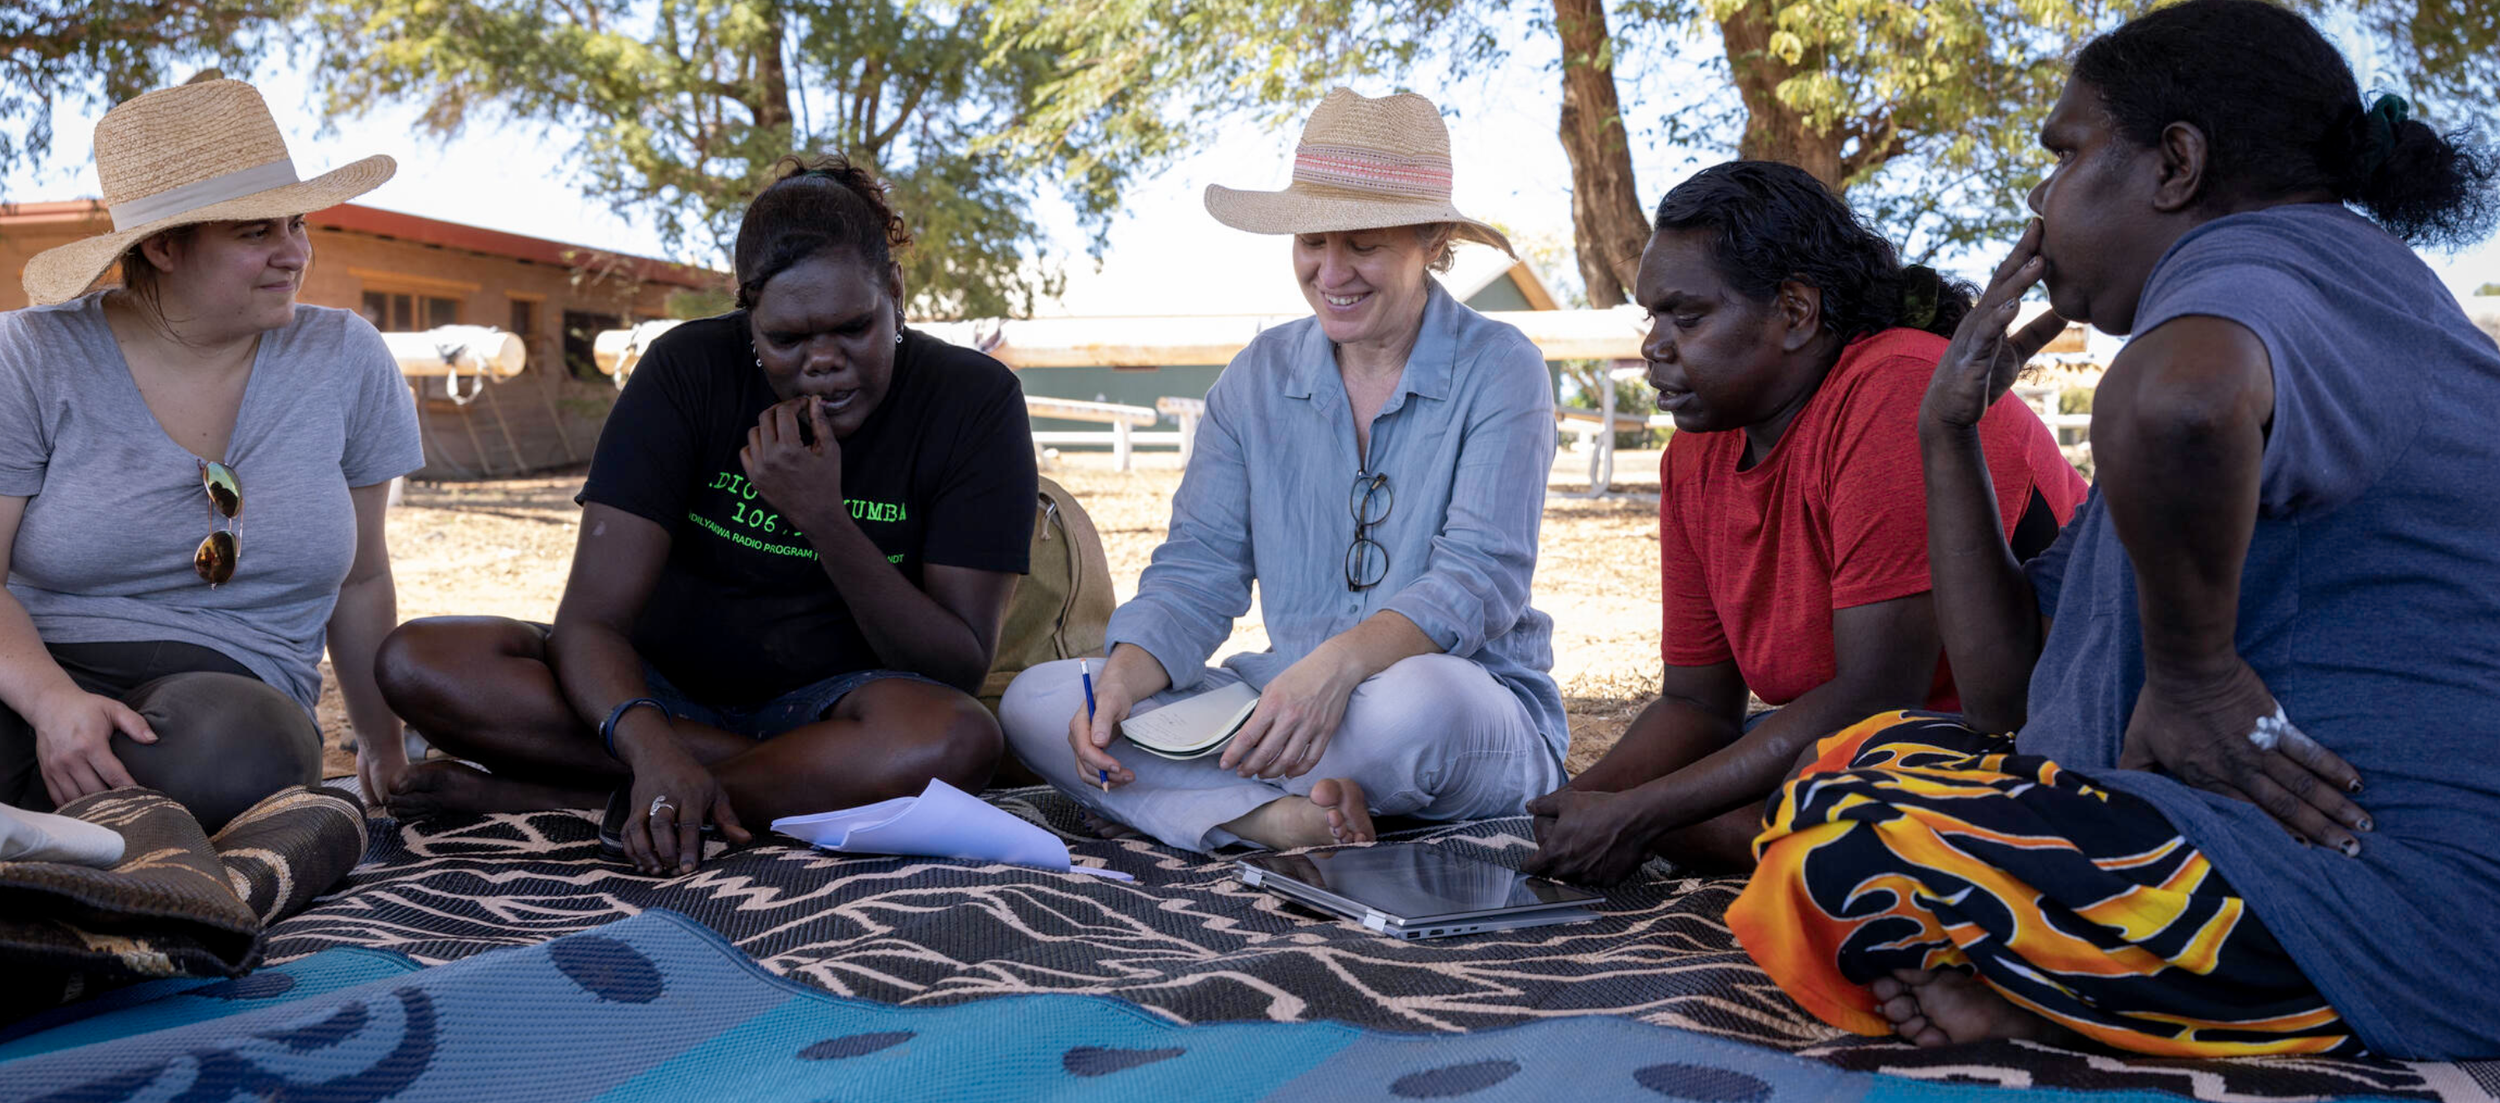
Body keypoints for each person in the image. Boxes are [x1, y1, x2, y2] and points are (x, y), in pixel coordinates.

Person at [1730, 0, 2500, 1061]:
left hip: (2394, 905)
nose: (2039, 199)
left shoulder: (2258, 274)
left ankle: (2185, 997)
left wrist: (2196, 680)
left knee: (1846, 847)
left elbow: (2175, 403)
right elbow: (2006, 694)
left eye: (2064, 153)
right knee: (1861, 762)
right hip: (2286, 865)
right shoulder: (2308, 290)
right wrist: (1947, 432)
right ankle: (2089, 993)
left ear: (2174, 165)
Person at [376, 156, 1033, 877]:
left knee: (954, 739)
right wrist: (649, 742)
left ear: (896, 292)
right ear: (749, 319)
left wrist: (823, 517)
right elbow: (591, 622)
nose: (823, 360)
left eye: (854, 327)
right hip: (658, 689)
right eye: (787, 339)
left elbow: (955, 665)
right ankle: (719, 781)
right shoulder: (687, 370)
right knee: (421, 660)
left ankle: (573, 793)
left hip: (838, 711)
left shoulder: (972, 401)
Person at [996, 89, 1566, 853]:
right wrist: (1126, 677)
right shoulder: (1255, 376)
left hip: (1458, 706)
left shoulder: (1502, 367)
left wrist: (1336, 668)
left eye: (1362, 244)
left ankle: (1206, 804)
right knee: (1037, 699)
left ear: (1431, 240)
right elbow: (1197, 572)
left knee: (1420, 704)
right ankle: (1273, 819)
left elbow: (1479, 581)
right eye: (1311, 241)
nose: (1331, 271)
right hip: (1279, 693)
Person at [1524, 162, 2087, 883]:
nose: (1654, 347)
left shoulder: (1896, 386)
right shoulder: (1695, 456)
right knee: (1714, 799)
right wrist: (1574, 804)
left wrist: (1638, 813)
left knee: (1763, 801)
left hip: (2035, 735)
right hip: (1864, 748)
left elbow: (1878, 692)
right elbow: (1697, 704)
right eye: (1651, 319)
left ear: (1795, 311)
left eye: (1686, 317)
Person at [0, 78, 420, 831]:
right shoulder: (32, 353)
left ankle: (46, 834)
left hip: (230, 692)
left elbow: (362, 578)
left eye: (297, 223)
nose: (295, 254)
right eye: (256, 233)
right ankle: (102, 840)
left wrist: (383, 746)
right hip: (33, 673)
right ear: (163, 247)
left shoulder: (344, 356)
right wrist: (54, 704)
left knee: (238, 757)